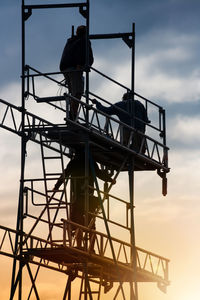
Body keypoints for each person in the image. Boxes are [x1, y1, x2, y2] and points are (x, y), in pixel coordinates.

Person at [53, 151, 115, 249]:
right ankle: (91, 249)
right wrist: (110, 180)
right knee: (91, 225)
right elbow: (99, 174)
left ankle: (79, 246)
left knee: (78, 224)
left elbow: (65, 174)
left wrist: (56, 186)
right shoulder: (91, 162)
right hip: (89, 198)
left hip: (78, 198)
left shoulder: (74, 162)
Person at [60, 25, 94, 120]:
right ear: (86, 33)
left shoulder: (71, 41)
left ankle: (72, 114)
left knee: (73, 93)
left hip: (65, 67)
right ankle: (73, 116)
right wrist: (81, 64)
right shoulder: (84, 41)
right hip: (75, 68)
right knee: (77, 93)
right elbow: (84, 54)